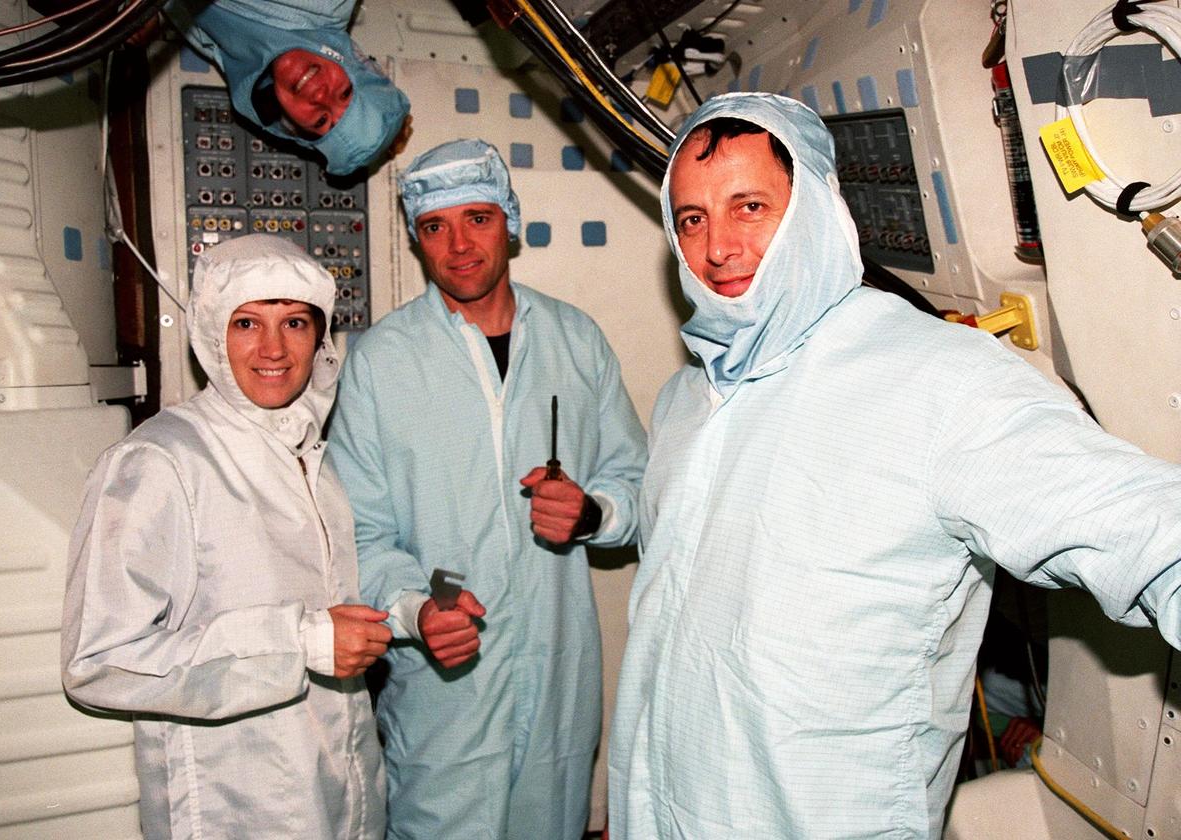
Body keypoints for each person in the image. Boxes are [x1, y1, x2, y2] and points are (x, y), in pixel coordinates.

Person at [607, 92, 1181, 839]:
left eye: (749, 207)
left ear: (814, 210)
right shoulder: (687, 399)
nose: (717, 247)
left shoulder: (937, 379)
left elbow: (1145, 529)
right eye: (692, 218)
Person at [327, 138, 648, 839]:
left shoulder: (575, 340)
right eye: (435, 226)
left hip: (560, 672)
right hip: (445, 689)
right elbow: (359, 535)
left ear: (510, 220)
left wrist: (594, 512)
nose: (459, 244)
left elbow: (638, 485)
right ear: (416, 240)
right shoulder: (382, 362)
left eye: (477, 218)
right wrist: (414, 610)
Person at [61, 234, 389, 838]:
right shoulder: (159, 461)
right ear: (213, 334)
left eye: (294, 321)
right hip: (233, 805)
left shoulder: (309, 452)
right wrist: (298, 644)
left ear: (320, 338)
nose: (273, 348)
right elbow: (98, 660)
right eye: (246, 323)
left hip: (341, 791)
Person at [165, 0, 411, 174]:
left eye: (320, 122)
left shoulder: (237, 56)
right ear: (356, 64)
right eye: (346, 93)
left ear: (292, 125)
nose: (319, 97)